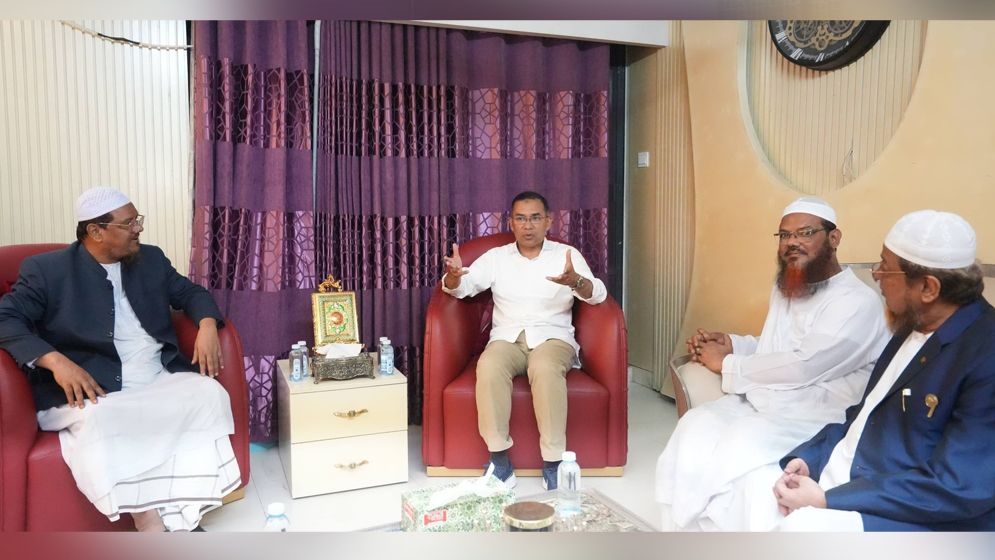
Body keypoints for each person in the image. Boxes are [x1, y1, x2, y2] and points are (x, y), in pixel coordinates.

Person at [0, 187, 240, 532]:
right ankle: (150, 523)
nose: (138, 229)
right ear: (95, 231)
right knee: (107, 419)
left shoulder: (150, 259)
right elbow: (6, 319)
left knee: (208, 394)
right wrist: (55, 361)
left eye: (137, 220)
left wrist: (206, 325)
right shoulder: (47, 270)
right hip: (94, 384)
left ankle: (183, 514)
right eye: (129, 224)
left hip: (153, 374)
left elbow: (190, 293)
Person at [654, 196, 890, 531]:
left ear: (834, 238)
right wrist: (732, 343)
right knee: (695, 427)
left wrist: (727, 364)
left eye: (805, 233)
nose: (792, 242)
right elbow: (775, 348)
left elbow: (805, 365)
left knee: (739, 444)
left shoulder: (857, 303)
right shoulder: (788, 286)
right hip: (766, 401)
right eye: (785, 235)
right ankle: (683, 533)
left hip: (816, 412)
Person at [773, 210, 995, 531]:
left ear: (928, 287)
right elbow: (865, 414)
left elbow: (959, 487)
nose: (876, 275)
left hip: (923, 516)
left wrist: (829, 500)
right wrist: (810, 458)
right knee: (754, 493)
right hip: (854, 484)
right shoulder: (912, 324)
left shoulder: (985, 354)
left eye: (885, 267)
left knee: (799, 529)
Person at [441, 191, 607, 490]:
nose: (528, 226)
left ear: (548, 221)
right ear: (511, 223)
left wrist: (576, 281)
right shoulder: (497, 257)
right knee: (489, 365)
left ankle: (554, 463)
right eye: (520, 218)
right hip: (508, 338)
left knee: (544, 367)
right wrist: (453, 276)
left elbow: (597, 295)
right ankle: (499, 461)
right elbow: (461, 287)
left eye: (535, 218)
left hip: (553, 338)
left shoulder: (566, 255)